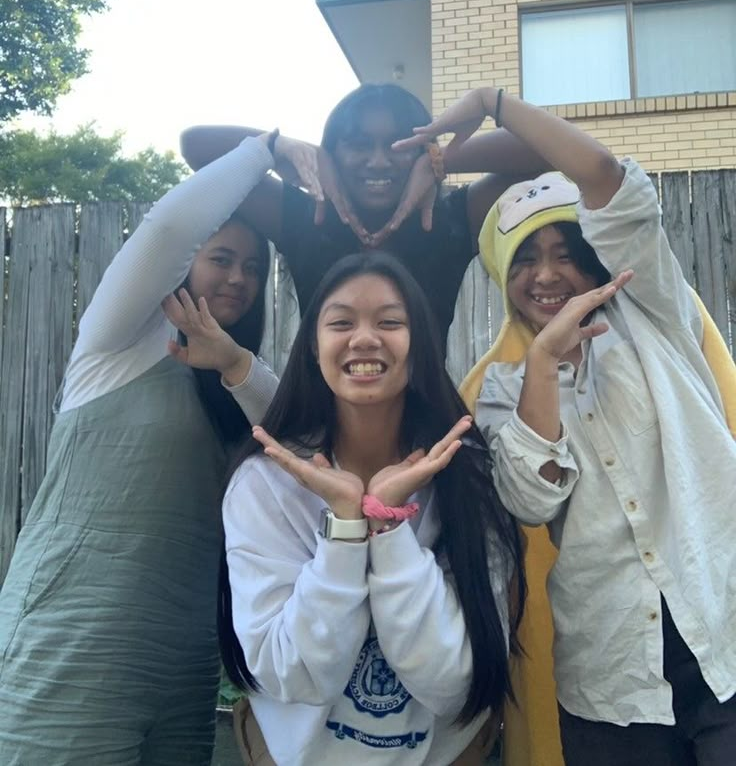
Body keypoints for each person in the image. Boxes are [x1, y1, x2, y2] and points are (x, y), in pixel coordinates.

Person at [403, 87, 736, 765]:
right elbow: (533, 499)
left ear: (596, 258)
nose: (547, 272)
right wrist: (546, 361)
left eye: (565, 251)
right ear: (505, 278)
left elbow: (605, 176)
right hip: (613, 681)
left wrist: (492, 102)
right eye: (526, 257)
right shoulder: (498, 389)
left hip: (724, 641)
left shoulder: (657, 314)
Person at [0, 132, 314, 766]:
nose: (238, 278)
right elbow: (169, 226)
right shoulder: (114, 343)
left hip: (182, 657)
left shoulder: (238, 378)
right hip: (73, 643)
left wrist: (230, 361)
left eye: (253, 267)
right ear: (188, 264)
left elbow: (291, 441)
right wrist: (268, 150)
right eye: (221, 258)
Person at [217, 252, 526, 765]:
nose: (364, 338)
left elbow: (452, 682)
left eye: (390, 322)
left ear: (421, 347)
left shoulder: (468, 476)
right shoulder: (263, 483)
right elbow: (290, 675)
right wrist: (344, 530)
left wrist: (388, 526)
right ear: (314, 349)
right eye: (341, 322)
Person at [180, 83, 549, 352]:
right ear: (333, 155)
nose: (378, 160)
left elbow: (549, 152)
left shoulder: (448, 219)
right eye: (358, 145)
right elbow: (195, 146)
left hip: (426, 434)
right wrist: (286, 149)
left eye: (399, 146)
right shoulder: (306, 217)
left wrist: (443, 160)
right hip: (319, 436)